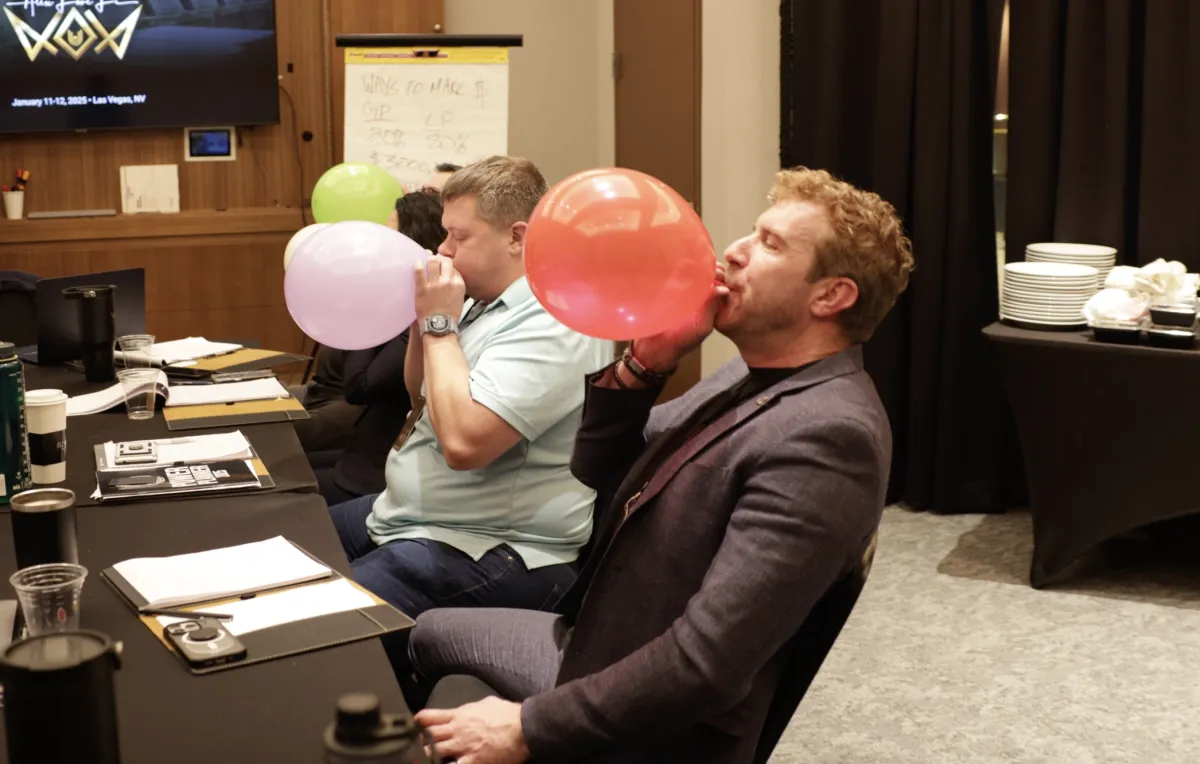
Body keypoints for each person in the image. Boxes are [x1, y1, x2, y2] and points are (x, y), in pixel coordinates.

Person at [407, 167, 915, 764]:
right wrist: (646, 364)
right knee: (428, 631)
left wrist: (525, 727)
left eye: (770, 244)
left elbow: (705, 665)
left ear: (831, 296)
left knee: (426, 651)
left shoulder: (829, 438)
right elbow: (601, 468)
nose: (735, 250)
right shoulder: (750, 375)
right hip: (603, 634)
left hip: (658, 720)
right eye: (753, 231)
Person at [327, 156, 612, 621]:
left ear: (517, 237)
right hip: (418, 515)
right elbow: (421, 395)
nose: (443, 251)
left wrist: (440, 324)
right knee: (286, 548)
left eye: (459, 237)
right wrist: (425, 321)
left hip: (495, 546)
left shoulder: (559, 319)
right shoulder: (485, 300)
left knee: (315, 618)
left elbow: (464, 444)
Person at [314, 190, 448, 505]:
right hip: (364, 452)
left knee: (282, 488)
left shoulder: (421, 310)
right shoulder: (400, 302)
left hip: (377, 474)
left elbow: (360, 385)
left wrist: (365, 304)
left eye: (391, 236)